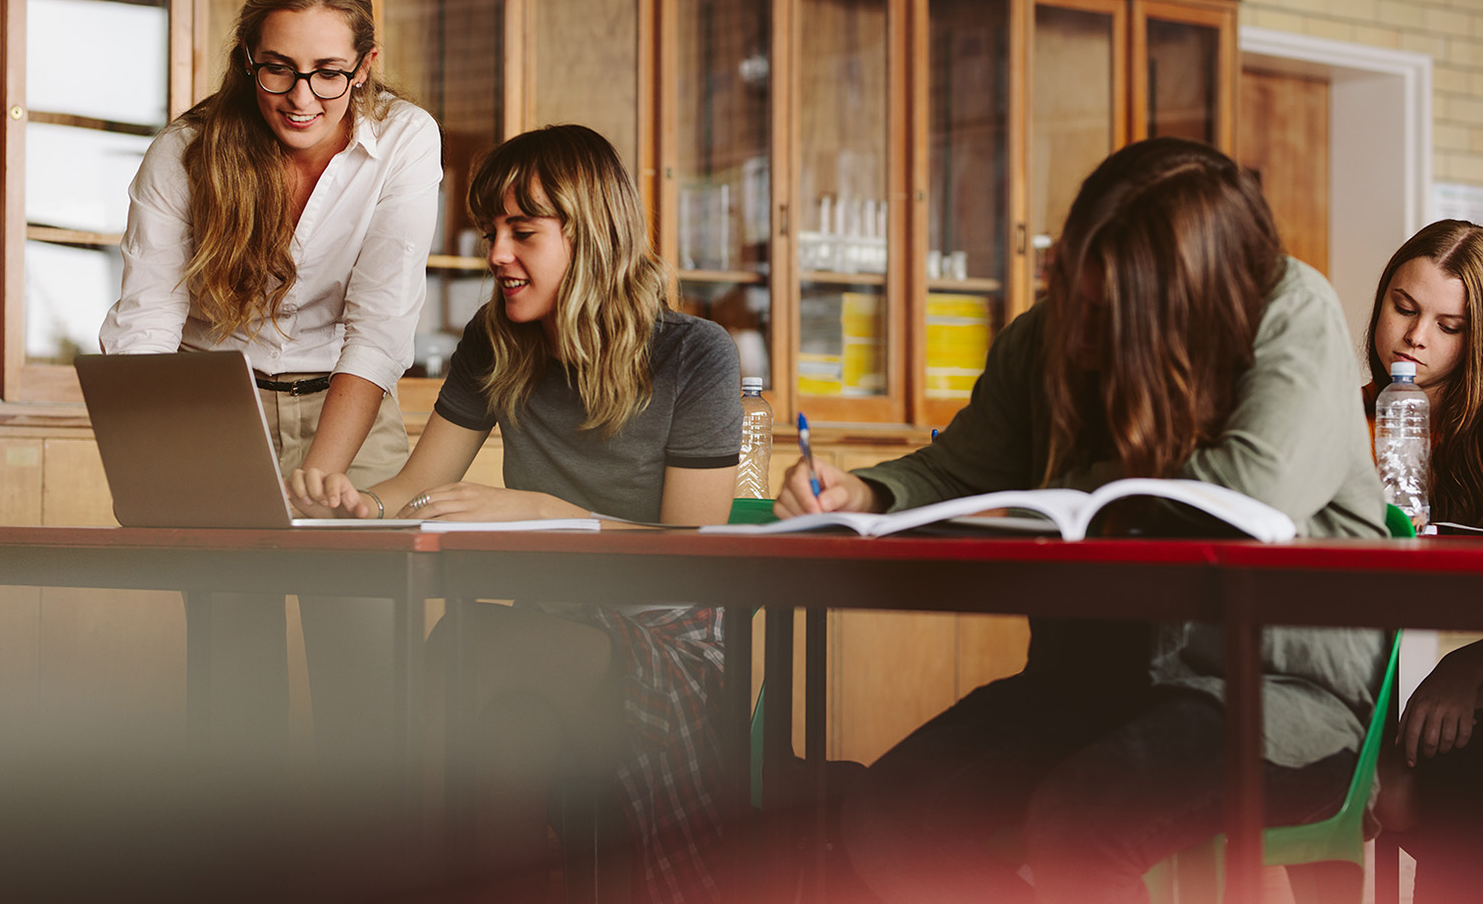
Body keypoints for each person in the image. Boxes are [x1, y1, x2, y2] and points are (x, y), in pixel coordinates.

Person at [774, 137, 1389, 903]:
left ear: (1180, 297)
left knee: (1079, 821)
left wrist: (1081, 484)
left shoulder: (1292, 308)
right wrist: (859, 492)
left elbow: (1256, 489)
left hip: (1275, 694)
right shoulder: (1044, 333)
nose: (1079, 331)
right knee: (891, 812)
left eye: (1108, 313)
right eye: (1074, 295)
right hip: (1092, 681)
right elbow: (955, 469)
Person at [291, 124, 744, 904]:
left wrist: (540, 510)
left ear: (592, 234)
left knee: (470, 647)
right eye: (490, 231)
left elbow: (691, 549)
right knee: (503, 729)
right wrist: (354, 503)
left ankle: (385, 866)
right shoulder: (494, 338)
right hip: (547, 627)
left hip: (670, 633)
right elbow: (418, 484)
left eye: (522, 232)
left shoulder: (695, 355)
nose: (496, 252)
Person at [99, 0, 443, 758]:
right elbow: (147, 326)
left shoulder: (404, 139)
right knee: (232, 682)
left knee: (368, 670)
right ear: (247, 55)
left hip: (349, 406)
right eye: (278, 70)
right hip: (221, 412)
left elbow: (380, 323)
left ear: (366, 66)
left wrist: (324, 476)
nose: (301, 98)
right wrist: (152, 467)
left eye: (328, 73)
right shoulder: (185, 152)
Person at [1362, 219, 1483, 901]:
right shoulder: (1336, 419)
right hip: (1338, 686)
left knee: (1459, 775)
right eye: (1403, 309)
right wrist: (1380, 748)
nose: (1415, 338)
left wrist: (1467, 666)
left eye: (1448, 324)